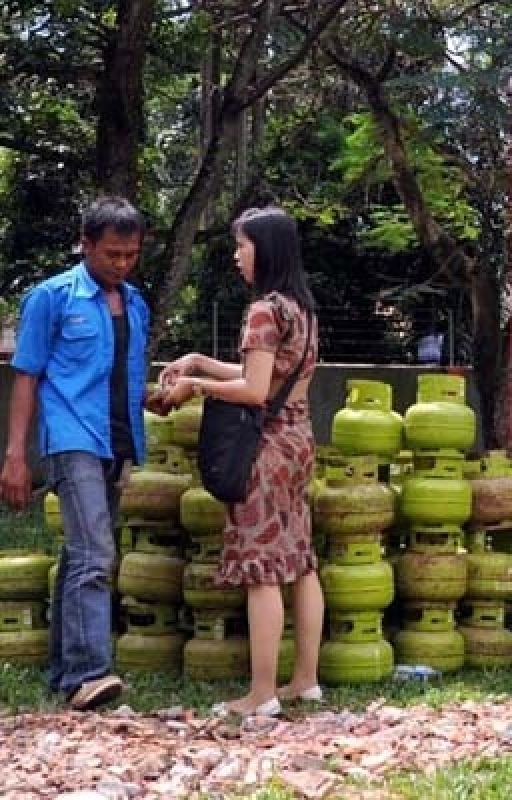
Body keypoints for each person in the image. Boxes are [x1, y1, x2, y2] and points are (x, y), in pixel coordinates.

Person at [157, 206, 323, 716]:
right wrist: (204, 362)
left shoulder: (263, 310)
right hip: (299, 441)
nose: (235, 256)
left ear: (264, 251)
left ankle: (261, 694)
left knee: (261, 567)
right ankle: (305, 681)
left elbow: (252, 390)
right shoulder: (302, 309)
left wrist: (194, 387)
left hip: (266, 448)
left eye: (242, 246)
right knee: (300, 560)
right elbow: (269, 376)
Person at [1, 196, 149, 710]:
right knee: (96, 554)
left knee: (80, 553)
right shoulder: (52, 297)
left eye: (131, 255)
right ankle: (91, 673)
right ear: (85, 244)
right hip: (71, 437)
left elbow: (125, 377)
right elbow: (27, 376)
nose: (122, 264)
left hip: (118, 438)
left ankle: (65, 672)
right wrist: (15, 455)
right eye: (112, 253)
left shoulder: (135, 303)